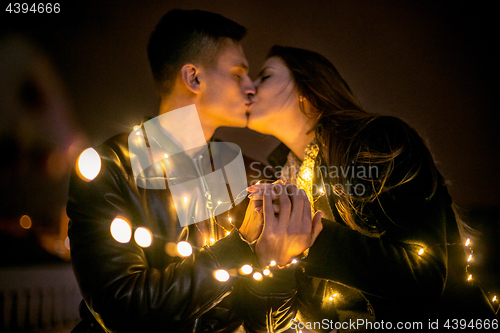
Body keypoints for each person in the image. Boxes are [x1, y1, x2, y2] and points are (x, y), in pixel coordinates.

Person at [67, 11, 320, 333]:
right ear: (194, 79)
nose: (250, 88)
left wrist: (279, 264)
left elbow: (265, 324)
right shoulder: (112, 166)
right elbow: (119, 308)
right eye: (238, 73)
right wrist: (242, 249)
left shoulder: (250, 175)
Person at [246, 45, 497, 331]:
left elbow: (423, 276)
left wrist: (309, 237)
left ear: (309, 88)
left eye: (264, 76)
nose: (250, 88)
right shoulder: (285, 180)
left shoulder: (377, 142)